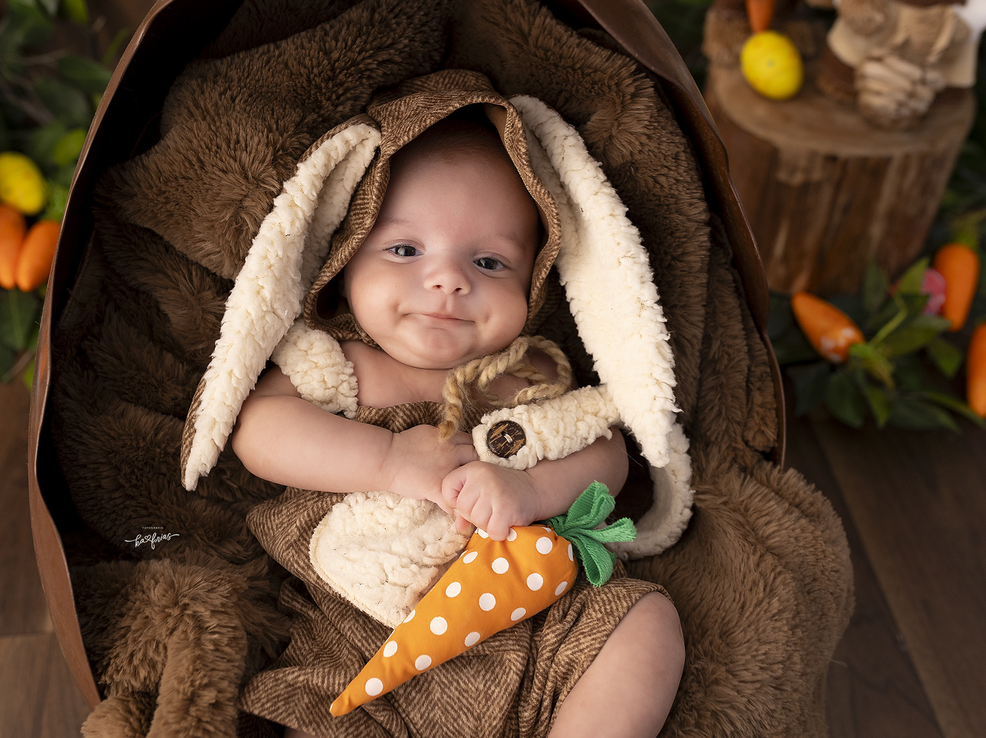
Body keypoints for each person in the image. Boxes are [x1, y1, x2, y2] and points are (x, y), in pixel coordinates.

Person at [232, 109, 685, 738]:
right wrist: (387, 459)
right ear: (345, 257)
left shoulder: (525, 374)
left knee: (646, 624)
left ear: (538, 280)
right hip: (361, 640)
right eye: (405, 249)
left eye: (491, 263)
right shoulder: (336, 361)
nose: (448, 280)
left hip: (530, 625)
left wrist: (530, 491)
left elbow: (606, 453)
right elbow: (258, 429)